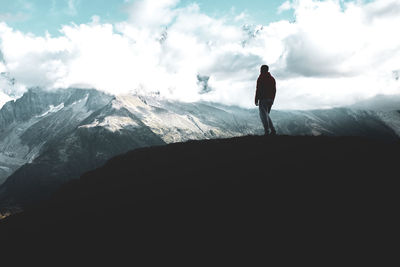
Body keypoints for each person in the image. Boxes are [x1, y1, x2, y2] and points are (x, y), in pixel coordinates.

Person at [255, 65, 277, 136]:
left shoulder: (261, 78)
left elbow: (258, 89)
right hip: (270, 99)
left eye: (261, 69)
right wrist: (272, 99)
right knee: (266, 115)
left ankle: (267, 131)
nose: (260, 71)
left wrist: (256, 99)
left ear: (262, 70)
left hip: (263, 99)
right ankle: (273, 130)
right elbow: (274, 90)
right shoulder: (272, 78)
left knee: (263, 116)